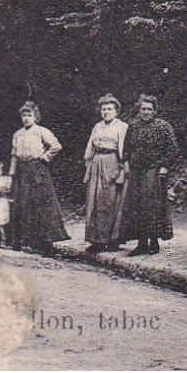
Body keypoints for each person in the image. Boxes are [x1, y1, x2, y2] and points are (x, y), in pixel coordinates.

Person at [118, 93, 179, 256]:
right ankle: (141, 243)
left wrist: (165, 166)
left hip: (154, 170)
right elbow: (126, 148)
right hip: (136, 170)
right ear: (139, 110)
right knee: (136, 206)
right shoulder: (133, 125)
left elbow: (173, 149)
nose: (146, 112)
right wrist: (126, 164)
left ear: (155, 111)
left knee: (153, 206)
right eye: (143, 109)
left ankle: (154, 241)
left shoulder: (163, 126)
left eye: (149, 109)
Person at [9, 101, 68, 254]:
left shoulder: (41, 131)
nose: (26, 118)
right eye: (24, 115)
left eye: (29, 115)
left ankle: (46, 243)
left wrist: (44, 157)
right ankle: (21, 240)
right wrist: (11, 175)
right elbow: (14, 156)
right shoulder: (18, 134)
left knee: (41, 204)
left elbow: (56, 146)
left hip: (37, 170)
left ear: (35, 117)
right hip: (22, 170)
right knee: (22, 204)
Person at [82, 93, 128, 253]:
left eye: (109, 109)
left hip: (112, 162)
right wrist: (89, 163)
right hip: (96, 163)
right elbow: (90, 147)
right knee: (94, 200)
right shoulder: (97, 126)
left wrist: (123, 169)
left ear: (116, 111)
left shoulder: (122, 127)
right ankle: (96, 240)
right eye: (103, 109)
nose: (106, 112)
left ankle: (111, 240)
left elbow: (123, 149)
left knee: (109, 201)